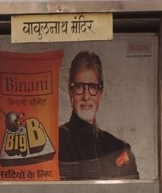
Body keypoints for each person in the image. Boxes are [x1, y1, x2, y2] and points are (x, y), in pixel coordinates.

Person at [58, 50, 139, 180]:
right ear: (70, 91)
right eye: (79, 87)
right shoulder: (57, 141)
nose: (86, 96)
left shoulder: (119, 148)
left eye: (93, 87)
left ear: (100, 92)